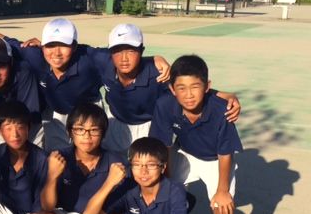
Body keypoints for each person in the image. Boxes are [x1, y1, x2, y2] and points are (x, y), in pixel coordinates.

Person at [0, 18, 171, 151]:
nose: (56, 53)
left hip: (88, 110)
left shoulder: (89, 57)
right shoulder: (33, 54)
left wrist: (153, 59)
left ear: (74, 46)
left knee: (91, 154)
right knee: (58, 155)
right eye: (50, 45)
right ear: (42, 45)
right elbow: (2, 40)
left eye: (64, 45)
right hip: (56, 114)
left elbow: (122, 56)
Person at [150, 55, 243, 214]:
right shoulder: (165, 105)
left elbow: (225, 153)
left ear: (207, 86)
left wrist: (222, 191)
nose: (189, 94)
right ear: (172, 89)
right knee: (162, 197)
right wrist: (166, 185)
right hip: (185, 154)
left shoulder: (222, 109)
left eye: (195, 87)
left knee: (223, 209)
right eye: (181, 88)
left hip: (215, 160)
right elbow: (163, 147)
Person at [99, 23, 241, 157]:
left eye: (131, 50)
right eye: (117, 51)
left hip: (146, 126)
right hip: (115, 122)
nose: (124, 58)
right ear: (109, 51)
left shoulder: (158, 74)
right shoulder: (103, 62)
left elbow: (185, 87)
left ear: (141, 50)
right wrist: (155, 57)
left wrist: (223, 95)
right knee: (112, 163)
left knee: (144, 167)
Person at [0, 37, 43, 146]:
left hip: (33, 120)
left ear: (11, 63)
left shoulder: (23, 72)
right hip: (7, 122)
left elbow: (29, 121)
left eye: (0, 66)